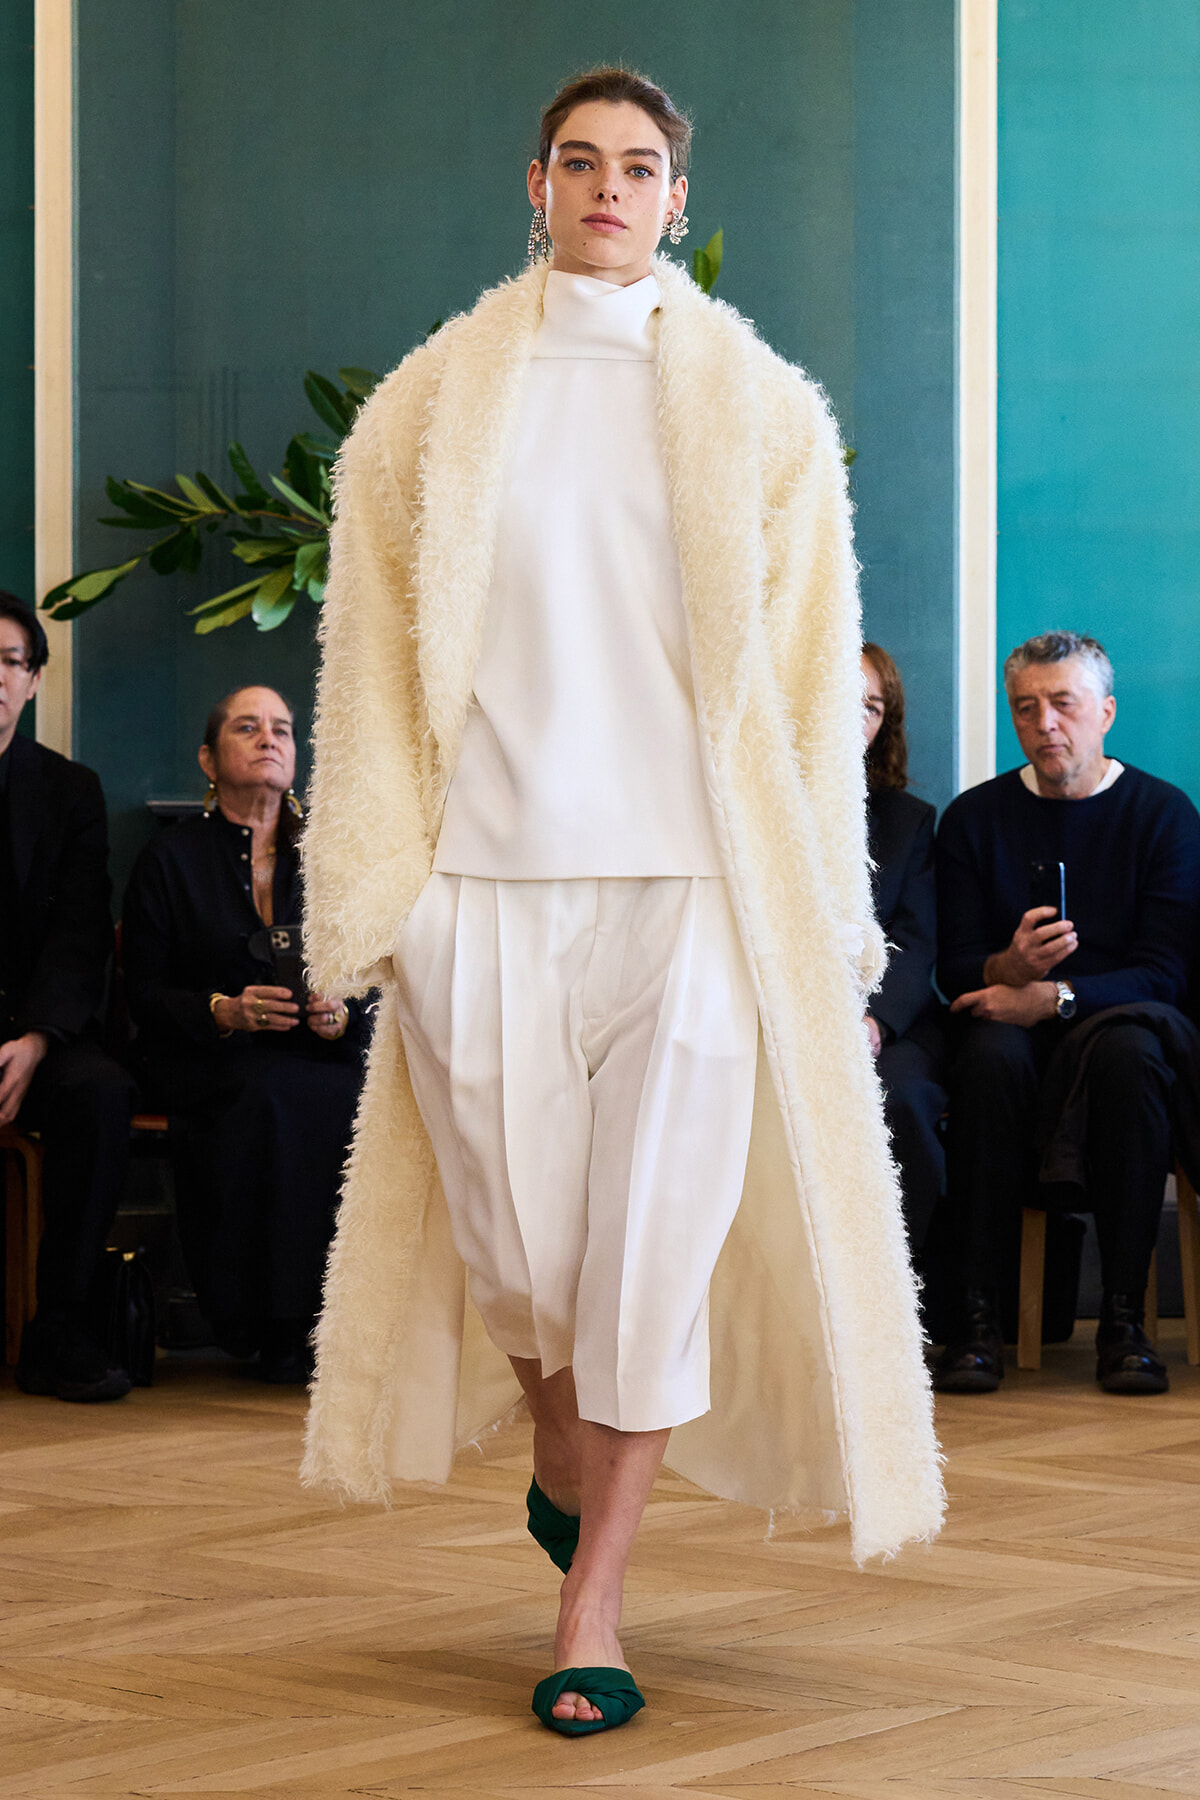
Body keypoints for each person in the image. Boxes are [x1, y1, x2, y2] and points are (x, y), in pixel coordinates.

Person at [299, 67, 943, 1736]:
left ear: (676, 197)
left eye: (639, 166)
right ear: (535, 185)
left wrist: (822, 904)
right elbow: (367, 669)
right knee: (523, 1252)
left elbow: (805, 684)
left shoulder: (764, 412)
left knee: (653, 1244)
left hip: (698, 886)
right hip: (483, 879)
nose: (608, 187)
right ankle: (562, 1443)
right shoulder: (429, 405)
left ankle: (595, 1599)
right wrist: (386, 894)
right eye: (579, 162)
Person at [934, 631, 1200, 1396]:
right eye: (1026, 708)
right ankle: (976, 1320)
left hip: (1124, 1033)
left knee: (1129, 1057)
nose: (1045, 723)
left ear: (1105, 712)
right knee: (987, 1056)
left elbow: (1167, 973)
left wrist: (1053, 996)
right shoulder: (975, 818)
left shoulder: (1163, 814)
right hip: (1009, 1039)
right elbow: (954, 969)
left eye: (1063, 703)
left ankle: (1124, 1319)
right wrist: (1007, 969)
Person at [121, 686, 369, 1384]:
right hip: (209, 1059)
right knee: (267, 1096)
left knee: (349, 1097)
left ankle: (343, 1326)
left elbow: (376, 975)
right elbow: (143, 993)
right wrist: (222, 1011)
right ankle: (274, 1326)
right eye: (247, 727)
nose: (269, 739)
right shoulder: (168, 861)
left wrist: (342, 1014)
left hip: (319, 1057)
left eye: (282, 730)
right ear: (208, 759)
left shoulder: (330, 859)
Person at [0, 594, 136, 1403]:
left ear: (34, 680)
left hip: (33, 1028)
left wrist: (37, 1038)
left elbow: (81, 933)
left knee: (100, 1094)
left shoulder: (70, 790)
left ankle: (59, 1328)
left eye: (8, 661)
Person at [861, 645, 946, 1252]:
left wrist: (874, 1023)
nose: (856, 719)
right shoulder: (754, 808)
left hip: (881, 1021)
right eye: (844, 700)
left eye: (872, 707)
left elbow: (915, 943)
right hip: (770, 1018)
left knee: (904, 1099)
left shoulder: (908, 819)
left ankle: (902, 1281)